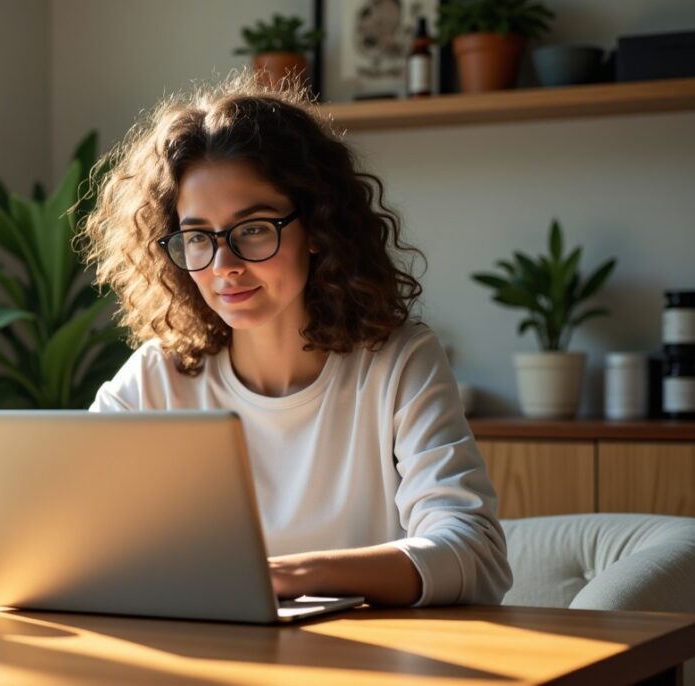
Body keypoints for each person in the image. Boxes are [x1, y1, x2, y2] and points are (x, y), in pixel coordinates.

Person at [81, 72, 512, 607]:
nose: (224, 265)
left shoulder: (397, 363)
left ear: (317, 227)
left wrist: (295, 576)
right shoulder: (158, 376)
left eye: (254, 228)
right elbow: (59, 530)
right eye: (198, 238)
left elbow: (475, 552)